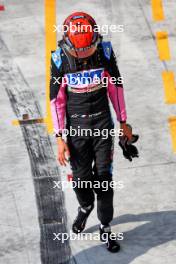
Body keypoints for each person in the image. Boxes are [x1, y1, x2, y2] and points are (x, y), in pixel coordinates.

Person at [50, 12, 135, 253]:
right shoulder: (59, 59)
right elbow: (56, 101)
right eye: (80, 52)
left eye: (88, 50)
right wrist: (59, 138)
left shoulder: (105, 53)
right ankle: (85, 207)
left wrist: (124, 122)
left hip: (102, 128)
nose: (84, 55)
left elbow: (116, 88)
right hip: (76, 132)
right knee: (80, 180)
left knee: (105, 182)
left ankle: (106, 227)